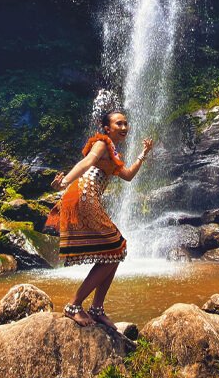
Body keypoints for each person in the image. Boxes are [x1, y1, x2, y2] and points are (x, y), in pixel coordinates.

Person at [46, 111, 153, 327]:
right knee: (117, 248)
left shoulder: (112, 152)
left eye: (126, 124)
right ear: (107, 128)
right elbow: (87, 163)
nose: (124, 127)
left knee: (114, 252)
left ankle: (97, 308)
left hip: (89, 197)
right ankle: (74, 305)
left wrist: (143, 153)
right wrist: (64, 181)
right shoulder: (101, 143)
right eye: (118, 124)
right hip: (83, 196)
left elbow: (129, 176)